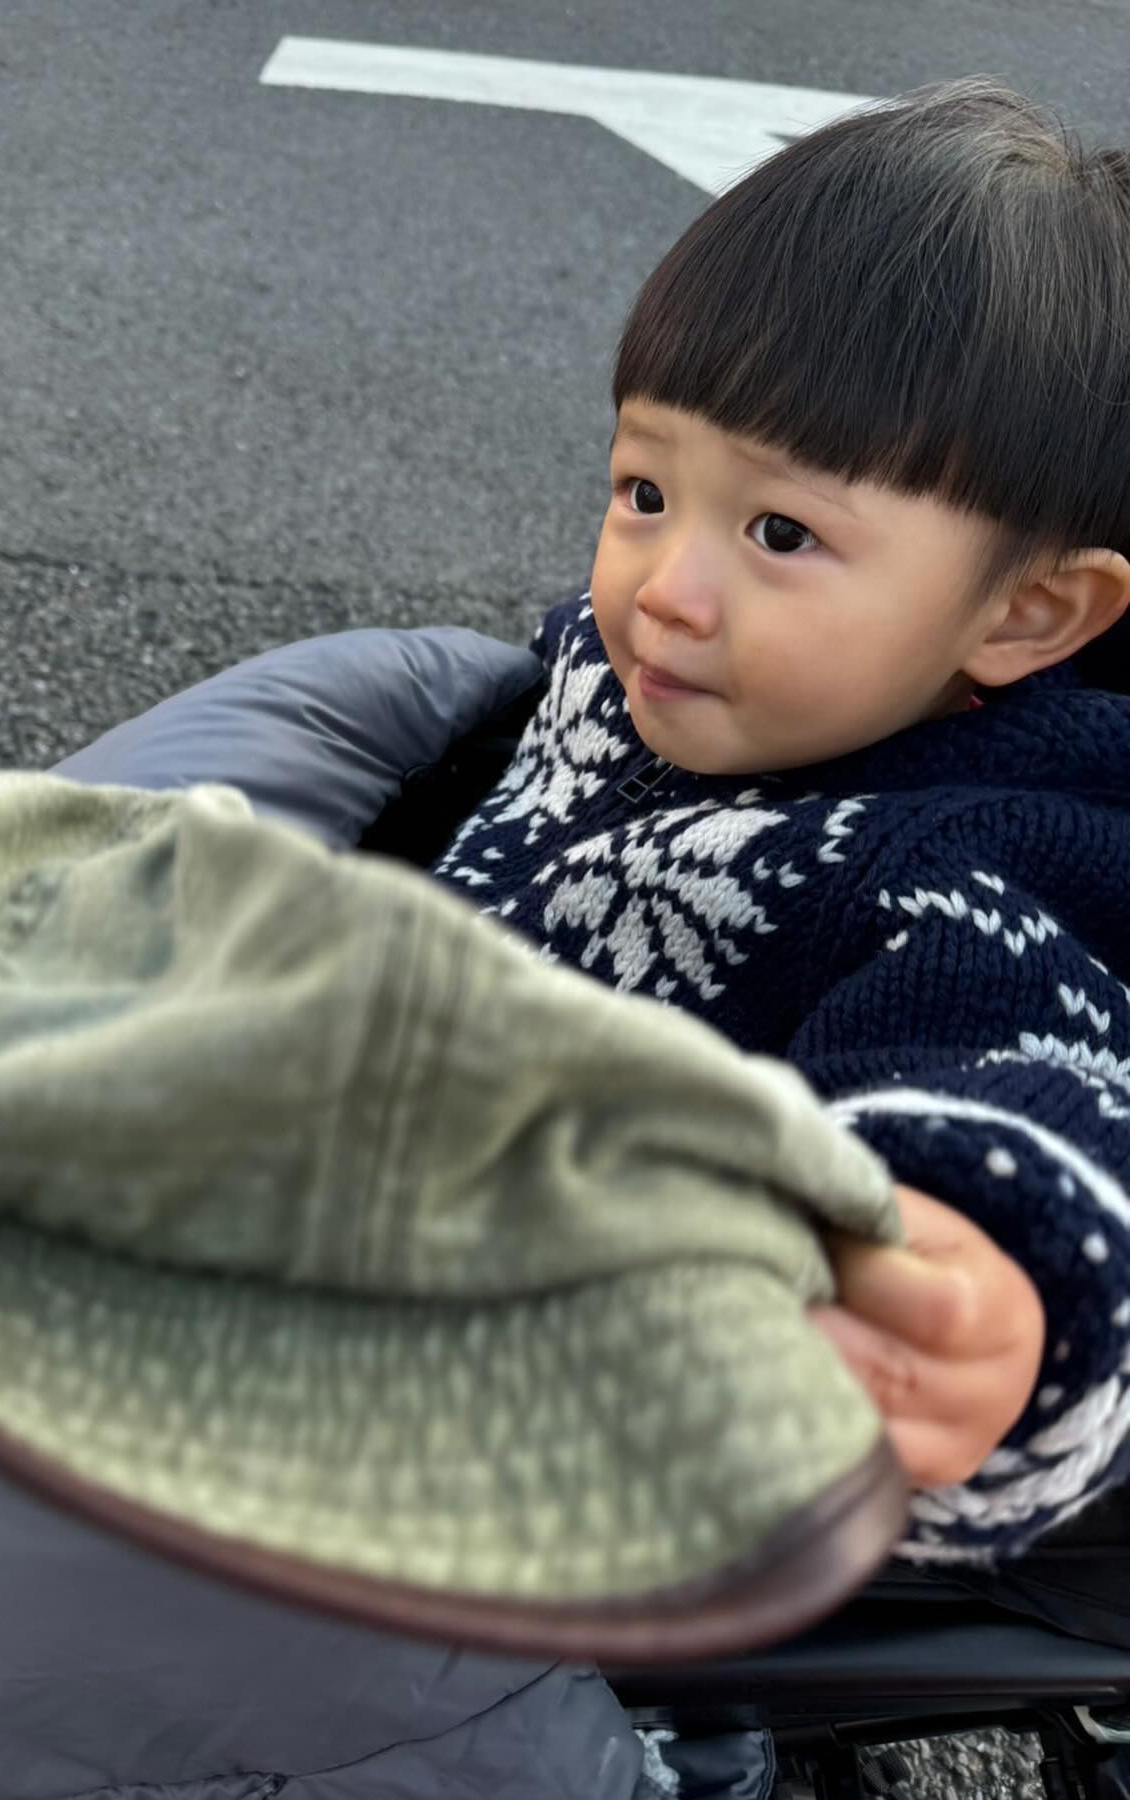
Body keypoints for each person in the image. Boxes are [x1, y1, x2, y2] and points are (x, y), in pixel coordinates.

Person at [422, 76, 1130, 1562]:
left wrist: (968, 1276)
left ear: (1023, 612)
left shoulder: (956, 867)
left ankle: (703, 1741)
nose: (664, 587)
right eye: (641, 486)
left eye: (782, 532)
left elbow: (1026, 1082)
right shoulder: (681, 676)